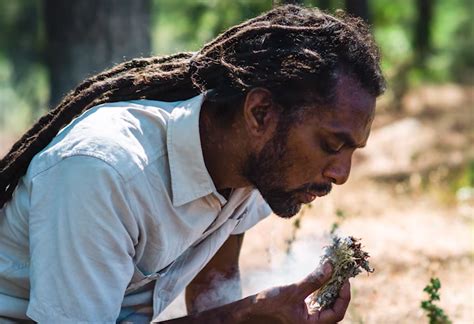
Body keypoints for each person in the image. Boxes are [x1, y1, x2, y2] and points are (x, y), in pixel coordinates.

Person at [0, 5, 385, 323]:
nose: (341, 173)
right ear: (261, 112)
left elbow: (213, 284)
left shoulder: (251, 168)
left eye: (352, 151)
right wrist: (240, 318)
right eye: (332, 144)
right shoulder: (103, 172)